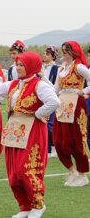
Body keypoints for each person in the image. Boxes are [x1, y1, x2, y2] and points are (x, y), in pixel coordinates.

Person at [0, 52, 60, 218]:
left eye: (22, 65)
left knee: (27, 169)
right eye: (17, 64)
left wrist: (38, 114)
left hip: (32, 131)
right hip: (14, 130)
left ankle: (38, 205)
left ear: (31, 66)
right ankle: (24, 206)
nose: (18, 68)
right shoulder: (14, 84)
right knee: (14, 172)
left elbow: (54, 101)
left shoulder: (39, 85)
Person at [53, 41, 90, 187]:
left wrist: (84, 91)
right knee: (58, 141)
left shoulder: (79, 67)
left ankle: (82, 175)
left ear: (74, 51)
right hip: (62, 106)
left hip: (76, 105)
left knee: (76, 140)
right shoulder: (61, 68)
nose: (65, 53)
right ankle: (72, 171)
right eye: (63, 50)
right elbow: (55, 89)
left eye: (67, 50)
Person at [42, 46, 60, 158]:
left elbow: (55, 87)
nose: (44, 55)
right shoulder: (42, 68)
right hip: (43, 99)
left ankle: (53, 147)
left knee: (50, 125)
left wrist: (44, 78)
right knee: (44, 123)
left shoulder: (56, 69)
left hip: (53, 99)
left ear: (53, 56)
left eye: (47, 54)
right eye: (44, 53)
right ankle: (47, 149)